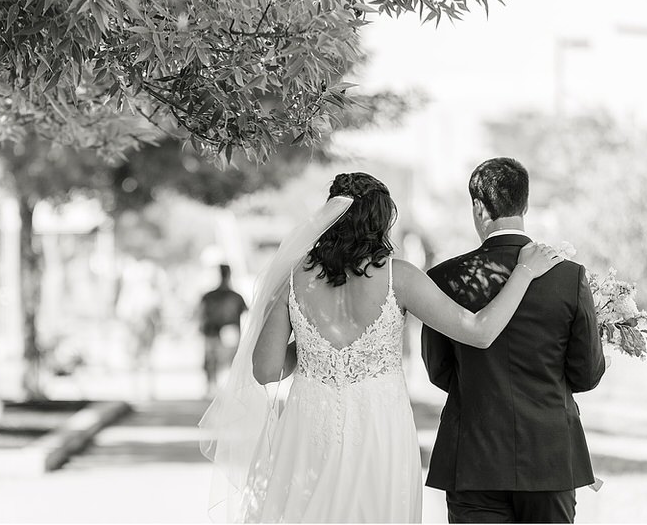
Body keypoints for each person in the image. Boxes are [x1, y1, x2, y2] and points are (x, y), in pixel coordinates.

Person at [200, 171, 562, 524]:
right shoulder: (398, 276)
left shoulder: (295, 280)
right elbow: (479, 332)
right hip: (379, 425)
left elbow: (264, 371)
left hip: (309, 423)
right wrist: (524, 273)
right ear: (380, 221)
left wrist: (315, 348)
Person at [422, 158, 605, 525]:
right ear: (525, 205)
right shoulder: (569, 277)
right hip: (550, 458)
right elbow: (585, 375)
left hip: (473, 460)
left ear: (478, 207)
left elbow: (439, 370)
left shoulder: (445, 278)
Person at [199, 265, 249, 397]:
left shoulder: (210, 296)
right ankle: (221, 386)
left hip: (216, 331)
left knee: (214, 360)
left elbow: (201, 314)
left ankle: (213, 386)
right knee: (227, 360)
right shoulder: (235, 296)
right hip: (223, 331)